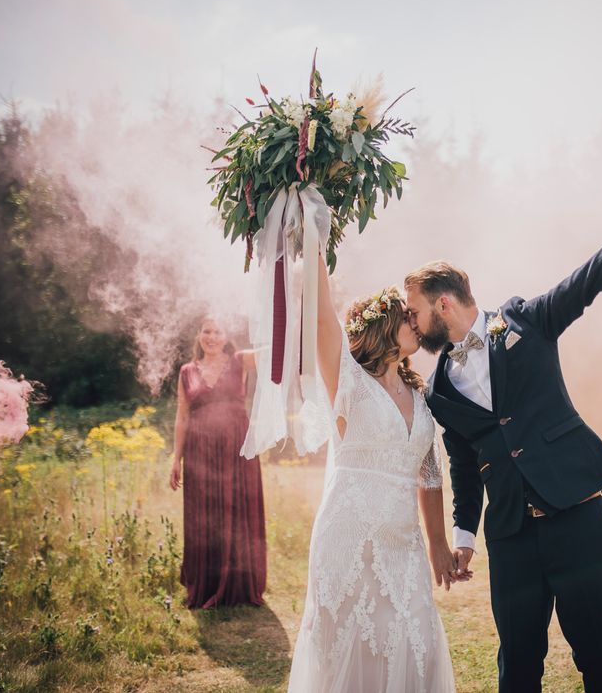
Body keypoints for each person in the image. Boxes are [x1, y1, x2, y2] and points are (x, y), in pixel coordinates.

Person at [404, 168, 602, 693]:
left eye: (416, 311)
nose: (414, 323)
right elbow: (464, 465)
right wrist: (464, 537)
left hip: (576, 516)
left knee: (600, 655)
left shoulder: (527, 321)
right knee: (517, 666)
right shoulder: (438, 388)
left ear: (442, 304)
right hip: (511, 536)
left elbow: (593, 276)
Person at [287, 254, 458, 692]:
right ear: (382, 324)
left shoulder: (420, 394)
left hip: (405, 547)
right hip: (351, 541)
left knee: (413, 639)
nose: (417, 324)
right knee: (356, 647)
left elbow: (430, 474)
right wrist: (316, 236)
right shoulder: (347, 382)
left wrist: (439, 544)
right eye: (407, 317)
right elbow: (323, 319)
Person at [169, 318, 267, 608]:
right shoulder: (187, 371)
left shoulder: (241, 361)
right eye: (206, 331)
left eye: (218, 331)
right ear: (198, 335)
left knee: (237, 508)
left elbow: (276, 353)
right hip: (200, 450)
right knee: (205, 513)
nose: (211, 337)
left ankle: (239, 584)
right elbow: (182, 416)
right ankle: (208, 581)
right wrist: (176, 458)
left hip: (237, 447)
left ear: (227, 336)